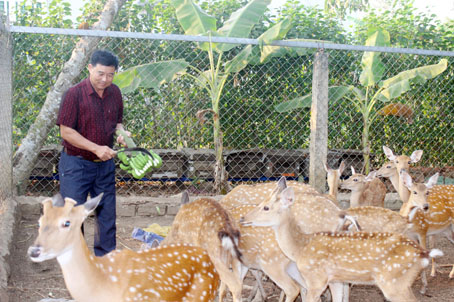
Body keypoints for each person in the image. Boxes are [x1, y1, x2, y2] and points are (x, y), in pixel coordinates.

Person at [57, 49, 129, 256]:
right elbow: (66, 131)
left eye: (110, 74)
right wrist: (96, 148)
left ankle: (106, 259)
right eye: (100, 73)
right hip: (76, 165)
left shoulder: (114, 92)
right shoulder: (74, 94)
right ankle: (75, 259)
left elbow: (118, 123)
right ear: (90, 68)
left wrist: (122, 133)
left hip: (104, 165)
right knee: (73, 214)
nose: (105, 79)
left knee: (106, 214)